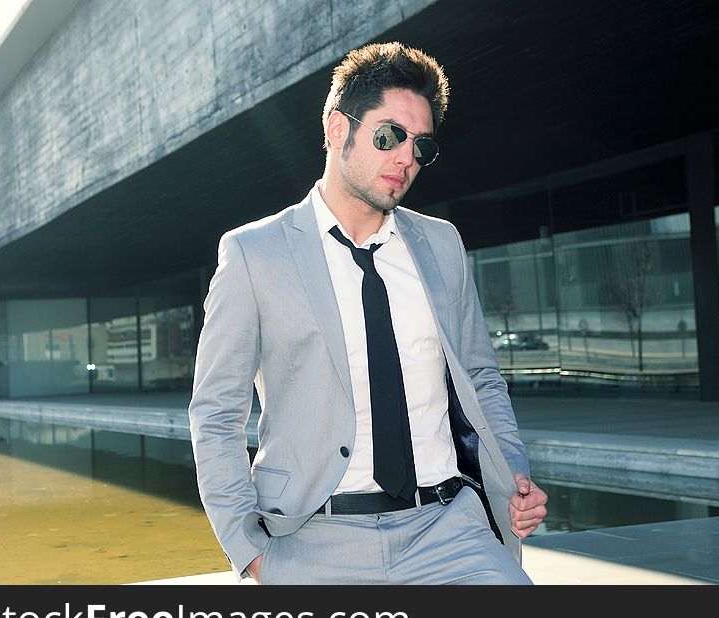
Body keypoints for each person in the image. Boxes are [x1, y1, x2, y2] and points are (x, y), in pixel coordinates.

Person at [189, 41, 548, 585]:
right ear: (337, 130)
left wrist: (514, 471)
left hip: (448, 530)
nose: (406, 158)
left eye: (421, 146)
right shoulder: (254, 255)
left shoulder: (441, 246)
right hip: (313, 540)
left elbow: (481, 377)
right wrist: (250, 551)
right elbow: (216, 414)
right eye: (389, 136)